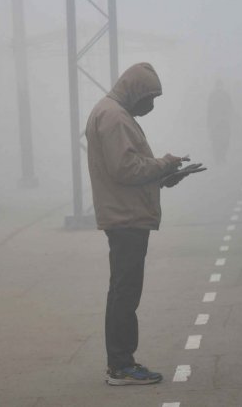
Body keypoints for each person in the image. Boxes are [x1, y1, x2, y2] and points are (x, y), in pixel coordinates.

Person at [85, 62, 190, 386]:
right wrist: (164, 164)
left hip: (125, 212)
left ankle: (120, 363)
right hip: (126, 219)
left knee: (122, 291)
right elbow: (126, 169)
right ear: (134, 92)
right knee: (125, 293)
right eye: (149, 98)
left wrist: (162, 178)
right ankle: (121, 365)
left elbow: (123, 172)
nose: (152, 106)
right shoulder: (115, 117)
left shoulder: (112, 113)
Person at [207, 79, 233, 164]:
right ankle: (219, 157)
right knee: (221, 140)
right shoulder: (223, 95)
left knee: (220, 140)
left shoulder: (215, 95)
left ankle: (220, 157)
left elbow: (230, 108)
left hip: (219, 122)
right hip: (220, 122)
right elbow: (230, 108)